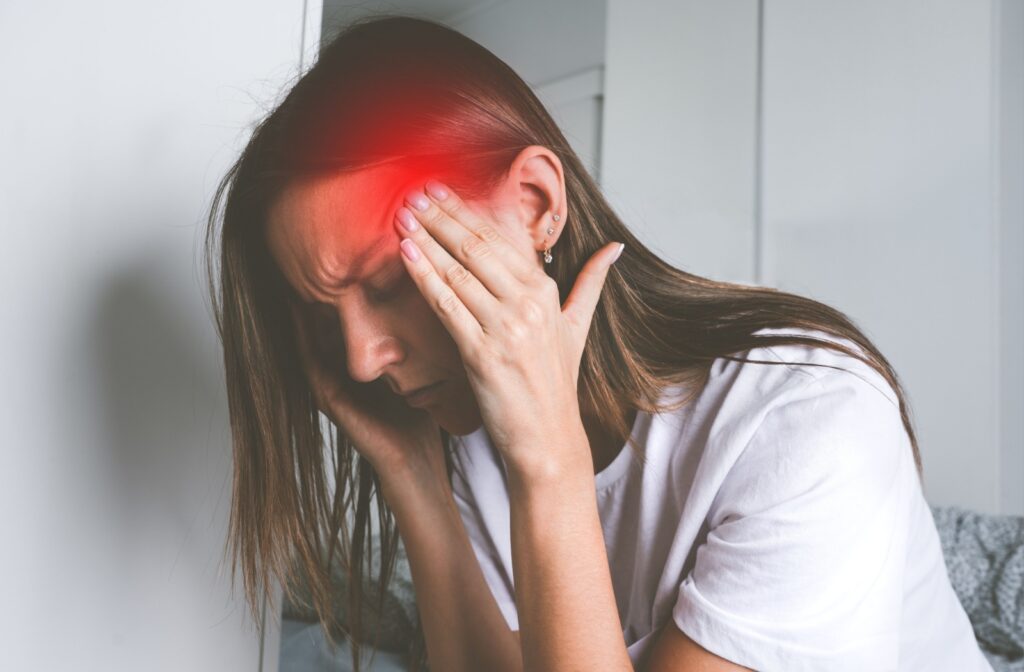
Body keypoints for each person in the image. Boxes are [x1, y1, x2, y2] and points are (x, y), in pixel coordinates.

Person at [202, 14, 993, 672]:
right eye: (323, 313)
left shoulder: (811, 421)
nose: (363, 358)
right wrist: (412, 476)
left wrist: (549, 464)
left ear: (538, 205)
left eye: (389, 282)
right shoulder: (467, 426)